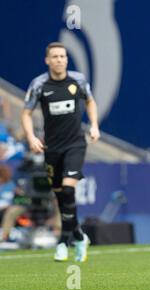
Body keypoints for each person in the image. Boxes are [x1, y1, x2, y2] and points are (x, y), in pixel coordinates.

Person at [22, 42, 100, 262]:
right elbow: (26, 113)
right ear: (47, 60)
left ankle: (63, 242)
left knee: (67, 190)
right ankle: (79, 235)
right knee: (60, 197)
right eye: (55, 56)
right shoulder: (39, 84)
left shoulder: (78, 80)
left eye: (63, 56)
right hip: (51, 148)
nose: (59, 60)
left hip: (75, 144)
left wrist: (94, 125)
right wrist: (31, 137)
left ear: (67, 59)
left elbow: (90, 101)